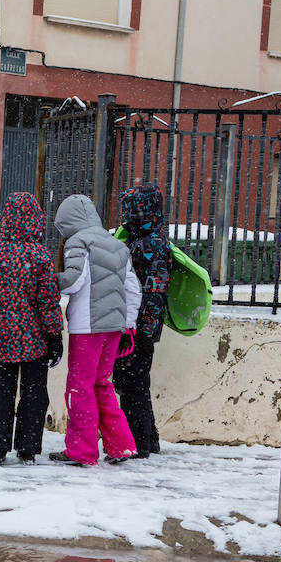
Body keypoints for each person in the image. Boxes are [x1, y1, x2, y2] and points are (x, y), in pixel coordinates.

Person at [0, 193, 64, 466]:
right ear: (36, 220)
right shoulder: (39, 257)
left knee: (0, 393)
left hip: (0, 340)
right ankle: (28, 448)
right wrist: (55, 336)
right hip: (33, 340)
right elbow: (48, 302)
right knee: (34, 394)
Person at [49, 194, 141, 467]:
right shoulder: (117, 245)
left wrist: (47, 281)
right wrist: (128, 326)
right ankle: (121, 445)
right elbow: (133, 289)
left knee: (79, 387)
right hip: (114, 327)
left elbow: (74, 281)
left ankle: (81, 451)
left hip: (87, 325)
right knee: (102, 384)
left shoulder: (79, 241)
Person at [113, 183, 172, 459]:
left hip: (139, 326)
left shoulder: (152, 243)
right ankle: (148, 438)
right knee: (136, 383)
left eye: (132, 210)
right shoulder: (146, 237)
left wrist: (140, 330)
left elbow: (154, 290)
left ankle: (139, 442)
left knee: (132, 384)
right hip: (140, 325)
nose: (127, 216)